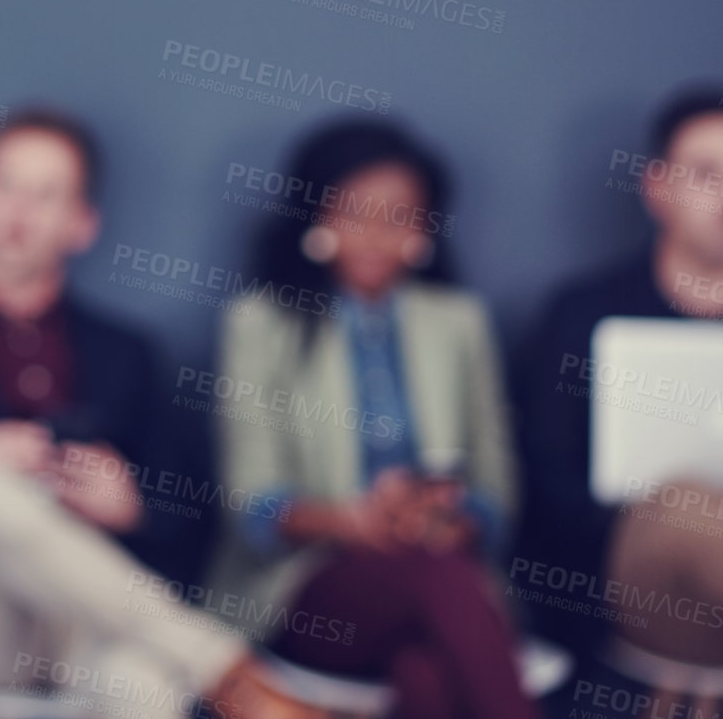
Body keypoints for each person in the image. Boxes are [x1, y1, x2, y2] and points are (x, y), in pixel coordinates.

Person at [0, 108, 259, 719]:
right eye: (3, 185)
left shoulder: (127, 354)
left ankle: (217, 672)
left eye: (45, 194)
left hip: (91, 624)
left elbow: (196, 523)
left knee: (145, 688)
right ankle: (231, 672)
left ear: (82, 224)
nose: (19, 211)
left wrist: (132, 506)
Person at [204, 116, 537, 718]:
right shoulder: (261, 324)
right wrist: (356, 524)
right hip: (310, 586)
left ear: (424, 229)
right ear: (318, 217)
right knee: (433, 573)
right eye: (355, 211)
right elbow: (251, 505)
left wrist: (450, 522)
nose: (377, 234)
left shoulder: (458, 323)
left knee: (426, 677)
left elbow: (495, 490)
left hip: (440, 580)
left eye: (400, 215)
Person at [511, 83, 723, 666]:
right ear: (658, 187)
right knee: (686, 506)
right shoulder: (582, 314)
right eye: (707, 174)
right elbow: (549, 485)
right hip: (611, 573)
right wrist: (661, 522)